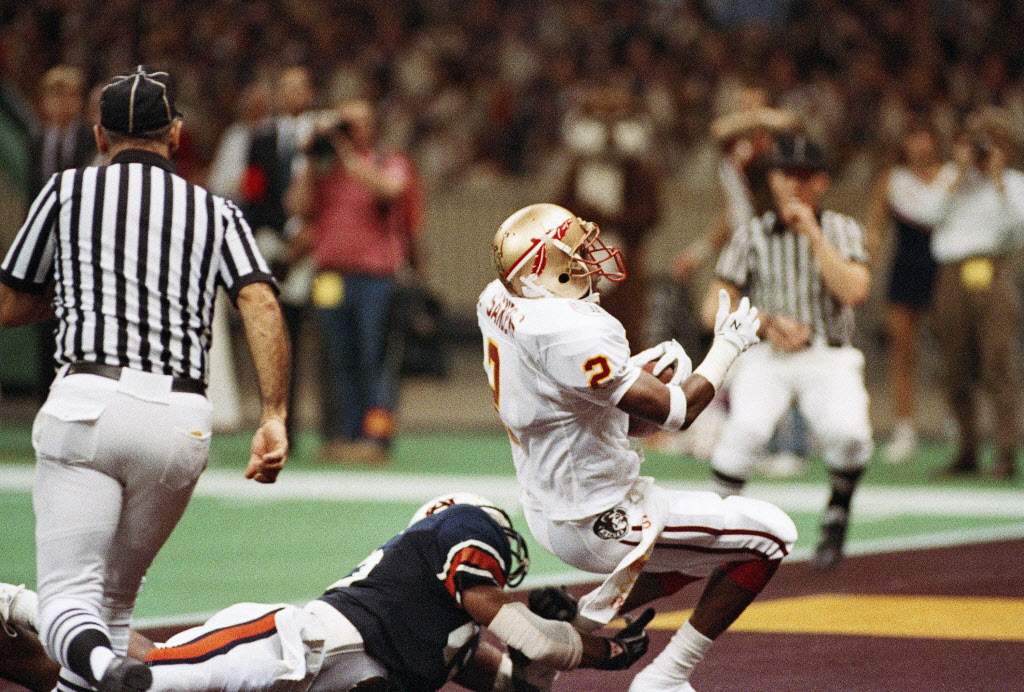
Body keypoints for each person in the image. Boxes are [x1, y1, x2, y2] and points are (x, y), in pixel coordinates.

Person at [0, 65, 291, 692]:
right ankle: (104, 668)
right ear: (177, 134)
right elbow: (261, 303)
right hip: (177, 421)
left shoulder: (65, 190)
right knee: (113, 607)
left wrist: (73, 298)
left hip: (89, 401)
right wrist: (274, 415)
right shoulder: (214, 209)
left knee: (67, 604)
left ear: (100, 135)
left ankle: (105, 666)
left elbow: (9, 304)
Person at [478, 203, 797, 692]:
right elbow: (678, 413)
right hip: (597, 516)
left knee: (698, 555)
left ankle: (560, 638)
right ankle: (666, 677)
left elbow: (577, 405)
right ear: (542, 268)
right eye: (576, 253)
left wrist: (628, 380)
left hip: (549, 499)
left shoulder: (498, 299)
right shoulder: (572, 331)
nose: (588, 258)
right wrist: (728, 345)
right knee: (771, 536)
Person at [0, 493, 653, 692]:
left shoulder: (448, 641)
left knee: (119, 678)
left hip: (292, 679)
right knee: (130, 683)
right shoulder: (456, 531)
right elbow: (525, 634)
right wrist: (592, 650)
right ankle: (17, 602)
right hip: (285, 649)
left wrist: (565, 629)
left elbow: (521, 682)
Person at [703, 133, 873, 571]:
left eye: (804, 175)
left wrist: (815, 236)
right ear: (772, 179)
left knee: (850, 433)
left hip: (827, 353)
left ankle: (838, 510)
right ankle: (714, 530)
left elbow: (854, 290)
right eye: (785, 174)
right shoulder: (751, 234)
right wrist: (764, 321)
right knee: (745, 433)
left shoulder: (841, 229)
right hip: (769, 356)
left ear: (821, 182)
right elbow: (711, 308)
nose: (793, 184)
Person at [286, 98, 423, 465]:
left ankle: (376, 438)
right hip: (330, 274)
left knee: (374, 359)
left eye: (355, 124)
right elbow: (297, 207)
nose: (347, 132)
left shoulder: (385, 160)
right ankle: (347, 437)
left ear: (370, 127)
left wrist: (348, 157)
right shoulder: (323, 167)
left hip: (374, 278)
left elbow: (391, 191)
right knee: (338, 359)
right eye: (342, 124)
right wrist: (310, 164)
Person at [925, 107, 1024, 480]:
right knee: (955, 365)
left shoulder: (1013, 184)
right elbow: (927, 214)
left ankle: (1005, 451)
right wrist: (958, 173)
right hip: (951, 273)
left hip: (993, 270)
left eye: (992, 142)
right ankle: (966, 449)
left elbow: (1017, 230)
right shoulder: (953, 178)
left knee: (998, 361)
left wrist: (997, 180)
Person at [864, 119, 958, 464]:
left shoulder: (951, 176)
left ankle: (956, 420)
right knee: (902, 352)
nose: (920, 144)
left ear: (936, 140)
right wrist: (864, 264)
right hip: (905, 267)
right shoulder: (892, 180)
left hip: (944, 267)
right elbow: (875, 228)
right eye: (913, 136)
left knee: (952, 349)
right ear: (904, 142)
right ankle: (905, 428)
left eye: (925, 135)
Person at [240, 66, 318, 446]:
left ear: (310, 92)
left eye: (296, 88)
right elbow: (252, 191)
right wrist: (276, 236)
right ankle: (275, 420)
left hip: (315, 246)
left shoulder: (323, 135)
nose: (290, 94)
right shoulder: (261, 139)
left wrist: (305, 234)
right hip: (273, 244)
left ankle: (313, 428)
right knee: (273, 335)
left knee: (314, 340)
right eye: (283, 87)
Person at [22, 65, 98, 400]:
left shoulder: (90, 139)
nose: (63, 103)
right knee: (42, 318)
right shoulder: (36, 140)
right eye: (55, 95)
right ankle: (45, 399)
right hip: (44, 239)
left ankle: (74, 392)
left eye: (69, 95)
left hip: (79, 239)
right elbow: (31, 193)